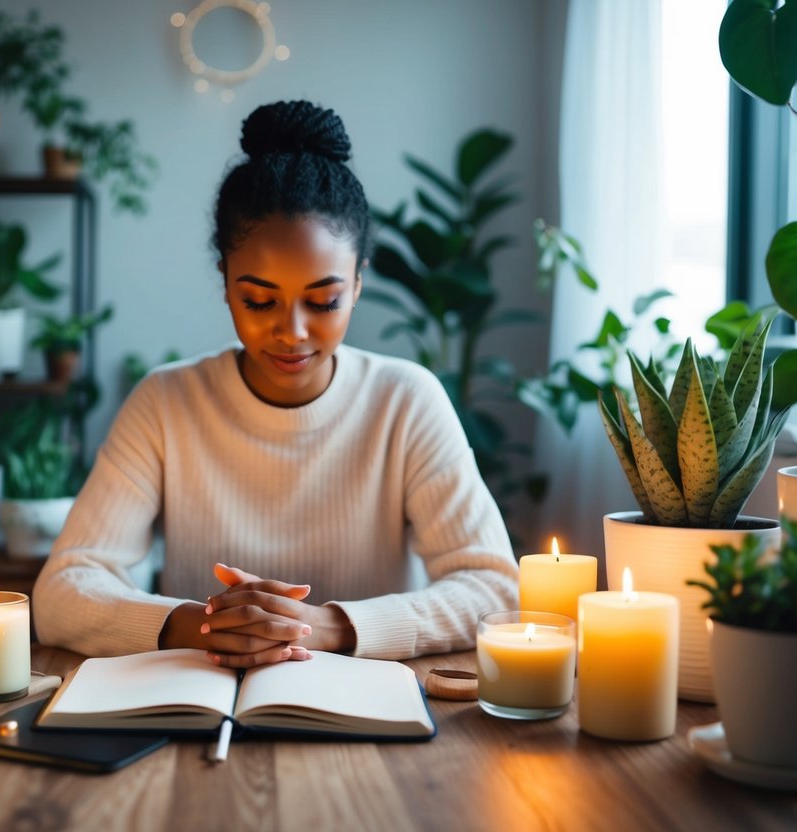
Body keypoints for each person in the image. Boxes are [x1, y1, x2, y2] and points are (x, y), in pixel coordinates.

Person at [33, 100, 517, 668]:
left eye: (323, 301)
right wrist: (205, 626)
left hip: (364, 713)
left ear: (358, 284)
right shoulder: (166, 403)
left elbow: (494, 590)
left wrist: (325, 626)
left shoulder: (406, 401)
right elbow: (63, 590)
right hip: (201, 705)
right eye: (259, 300)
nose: (291, 333)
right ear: (225, 281)